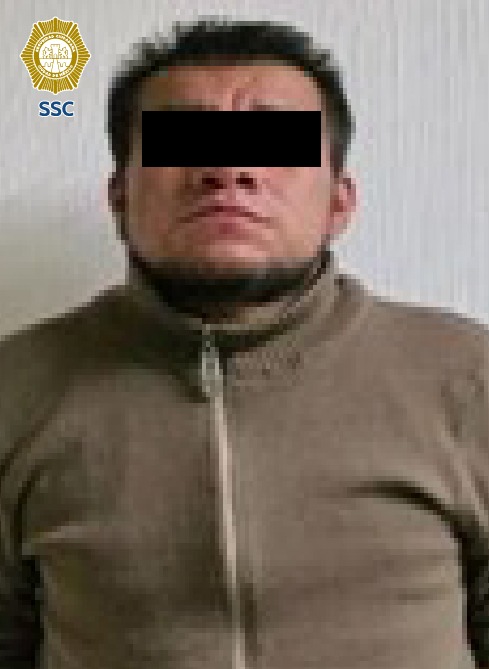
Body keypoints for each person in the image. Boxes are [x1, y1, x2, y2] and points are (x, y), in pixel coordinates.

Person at [1, 18, 488, 669]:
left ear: (339, 202)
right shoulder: (17, 388)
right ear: (119, 198)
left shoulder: (466, 377)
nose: (228, 170)